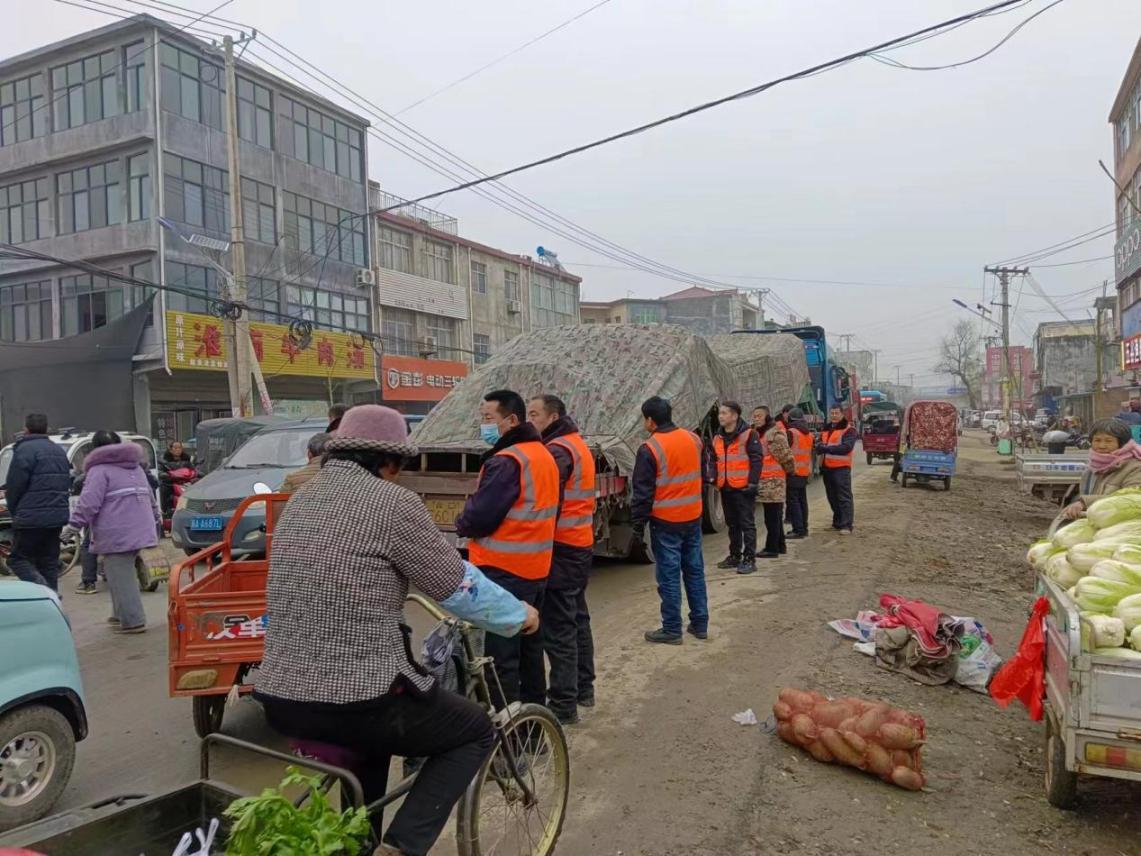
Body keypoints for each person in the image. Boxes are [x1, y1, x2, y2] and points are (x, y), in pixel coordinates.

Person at [253, 405, 539, 855]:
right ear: (389, 462)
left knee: (372, 745)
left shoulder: (301, 499)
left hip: (279, 696)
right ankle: (401, 848)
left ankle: (358, 845)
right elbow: (457, 586)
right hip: (357, 699)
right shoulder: (392, 502)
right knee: (475, 730)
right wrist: (518, 614)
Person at [456, 390, 557, 708]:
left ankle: (509, 738)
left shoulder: (507, 461)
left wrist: (463, 518)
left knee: (502, 659)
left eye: (489, 418)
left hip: (503, 572)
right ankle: (534, 726)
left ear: (511, 420)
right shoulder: (541, 455)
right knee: (530, 652)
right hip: (535, 568)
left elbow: (479, 518)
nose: (484, 425)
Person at [527, 394, 596, 724]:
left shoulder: (556, 452)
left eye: (535, 414)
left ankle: (564, 705)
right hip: (579, 543)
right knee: (576, 619)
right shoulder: (575, 443)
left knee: (559, 628)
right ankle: (584, 688)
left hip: (561, 547)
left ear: (552, 417)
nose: (531, 420)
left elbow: (545, 502)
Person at [63, 431, 160, 632]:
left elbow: (89, 503)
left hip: (117, 532)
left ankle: (134, 621)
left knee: (121, 576)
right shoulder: (137, 468)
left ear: (94, 449)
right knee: (119, 573)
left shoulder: (99, 471)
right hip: (142, 529)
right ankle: (118, 615)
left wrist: (74, 525)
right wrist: (156, 520)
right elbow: (151, 499)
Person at [631, 396, 709, 644]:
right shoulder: (693, 439)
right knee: (694, 571)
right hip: (693, 517)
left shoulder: (650, 448)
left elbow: (643, 493)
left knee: (669, 576)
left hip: (666, 522)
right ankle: (700, 623)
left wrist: (637, 525)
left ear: (650, 421)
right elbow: (703, 474)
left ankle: (672, 629)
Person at [2, 413, 70, 592]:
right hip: (56, 517)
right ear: (46, 428)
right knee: (48, 563)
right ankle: (52, 603)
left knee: (17, 559)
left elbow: (15, 486)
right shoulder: (57, 451)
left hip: (30, 518)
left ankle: (43, 590)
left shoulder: (24, 450)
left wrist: (16, 511)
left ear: (26, 428)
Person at [710, 401, 762, 575]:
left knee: (747, 524)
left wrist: (753, 483)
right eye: (720, 413)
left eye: (724, 413)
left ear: (734, 415)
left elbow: (756, 459)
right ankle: (734, 555)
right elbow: (713, 460)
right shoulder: (718, 437)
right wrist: (713, 478)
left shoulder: (749, 434)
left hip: (743, 487)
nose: (721, 416)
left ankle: (749, 559)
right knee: (732, 524)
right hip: (726, 486)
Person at [1061, 418, 1141, 519]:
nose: (1102, 446)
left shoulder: (1135, 468)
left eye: (1108, 441)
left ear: (1122, 443)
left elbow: (1132, 499)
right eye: (1097, 440)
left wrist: (1084, 502)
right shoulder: (1092, 468)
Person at [753, 405, 795, 558]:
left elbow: (786, 456)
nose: (756, 419)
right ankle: (780, 545)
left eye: (759, 416)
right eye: (754, 416)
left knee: (772, 516)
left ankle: (772, 548)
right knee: (775, 516)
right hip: (765, 481)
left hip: (773, 481)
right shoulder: (759, 434)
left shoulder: (773, 434)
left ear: (766, 416)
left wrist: (789, 472)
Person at [817, 405, 857, 535]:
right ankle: (837, 522)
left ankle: (847, 525)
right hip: (827, 468)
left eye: (836, 413)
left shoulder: (849, 430)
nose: (833, 415)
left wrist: (826, 448)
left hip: (841, 469)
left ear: (842, 414)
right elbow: (820, 443)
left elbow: (846, 447)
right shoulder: (826, 428)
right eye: (832, 413)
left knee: (844, 497)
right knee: (832, 497)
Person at [784, 406, 813, 539]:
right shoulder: (808, 433)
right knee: (802, 501)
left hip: (793, 472)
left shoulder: (791, 432)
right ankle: (803, 528)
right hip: (803, 471)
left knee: (793, 501)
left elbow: (785, 452)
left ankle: (798, 529)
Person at [158, 439, 194, 517]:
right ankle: (165, 511)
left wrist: (197, 473)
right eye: (175, 447)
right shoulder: (164, 461)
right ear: (170, 450)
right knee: (163, 489)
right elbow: (160, 470)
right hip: (170, 484)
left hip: (184, 484)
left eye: (179, 447)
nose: (178, 449)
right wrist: (163, 474)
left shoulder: (186, 460)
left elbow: (193, 470)